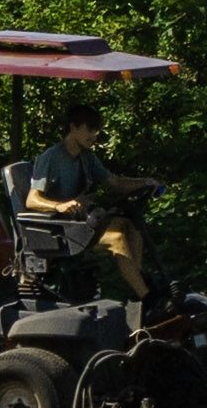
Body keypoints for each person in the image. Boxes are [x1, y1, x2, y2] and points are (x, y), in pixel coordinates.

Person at [9, 96, 149, 306]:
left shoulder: (86, 157)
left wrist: (144, 182)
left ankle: (138, 289)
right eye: (89, 129)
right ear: (73, 127)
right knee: (117, 239)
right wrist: (59, 205)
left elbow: (115, 182)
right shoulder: (51, 157)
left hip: (78, 225)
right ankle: (146, 298)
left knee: (131, 227)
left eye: (96, 130)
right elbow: (32, 199)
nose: (93, 135)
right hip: (58, 232)